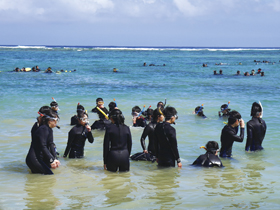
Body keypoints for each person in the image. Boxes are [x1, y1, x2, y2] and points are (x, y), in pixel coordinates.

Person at [26, 109, 60, 174]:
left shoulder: (49, 129)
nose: (56, 123)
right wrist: (51, 160)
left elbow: (50, 144)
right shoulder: (43, 129)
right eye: (56, 120)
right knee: (49, 175)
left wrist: (54, 158)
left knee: (40, 177)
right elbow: (43, 146)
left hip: (38, 158)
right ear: (50, 121)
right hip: (34, 158)